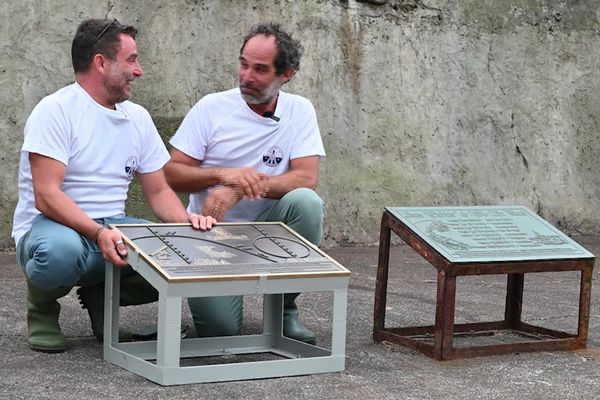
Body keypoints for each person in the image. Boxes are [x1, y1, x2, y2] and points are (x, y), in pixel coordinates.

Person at [11, 18, 216, 353]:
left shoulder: (137, 118)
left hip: (112, 229)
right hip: (51, 229)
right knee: (59, 254)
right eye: (132, 60)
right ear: (101, 63)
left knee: (179, 257)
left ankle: (99, 295)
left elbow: (160, 191)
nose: (139, 71)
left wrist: (187, 229)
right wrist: (97, 233)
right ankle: (42, 309)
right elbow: (46, 196)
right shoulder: (55, 111)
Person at [165, 22, 325, 344]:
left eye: (260, 69)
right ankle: (220, 301)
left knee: (307, 204)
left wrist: (242, 188)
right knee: (220, 335)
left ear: (287, 75)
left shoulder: (300, 110)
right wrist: (223, 175)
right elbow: (171, 172)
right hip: (210, 236)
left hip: (268, 233)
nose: (246, 76)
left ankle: (283, 310)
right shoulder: (212, 107)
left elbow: (306, 177)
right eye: (243, 63)